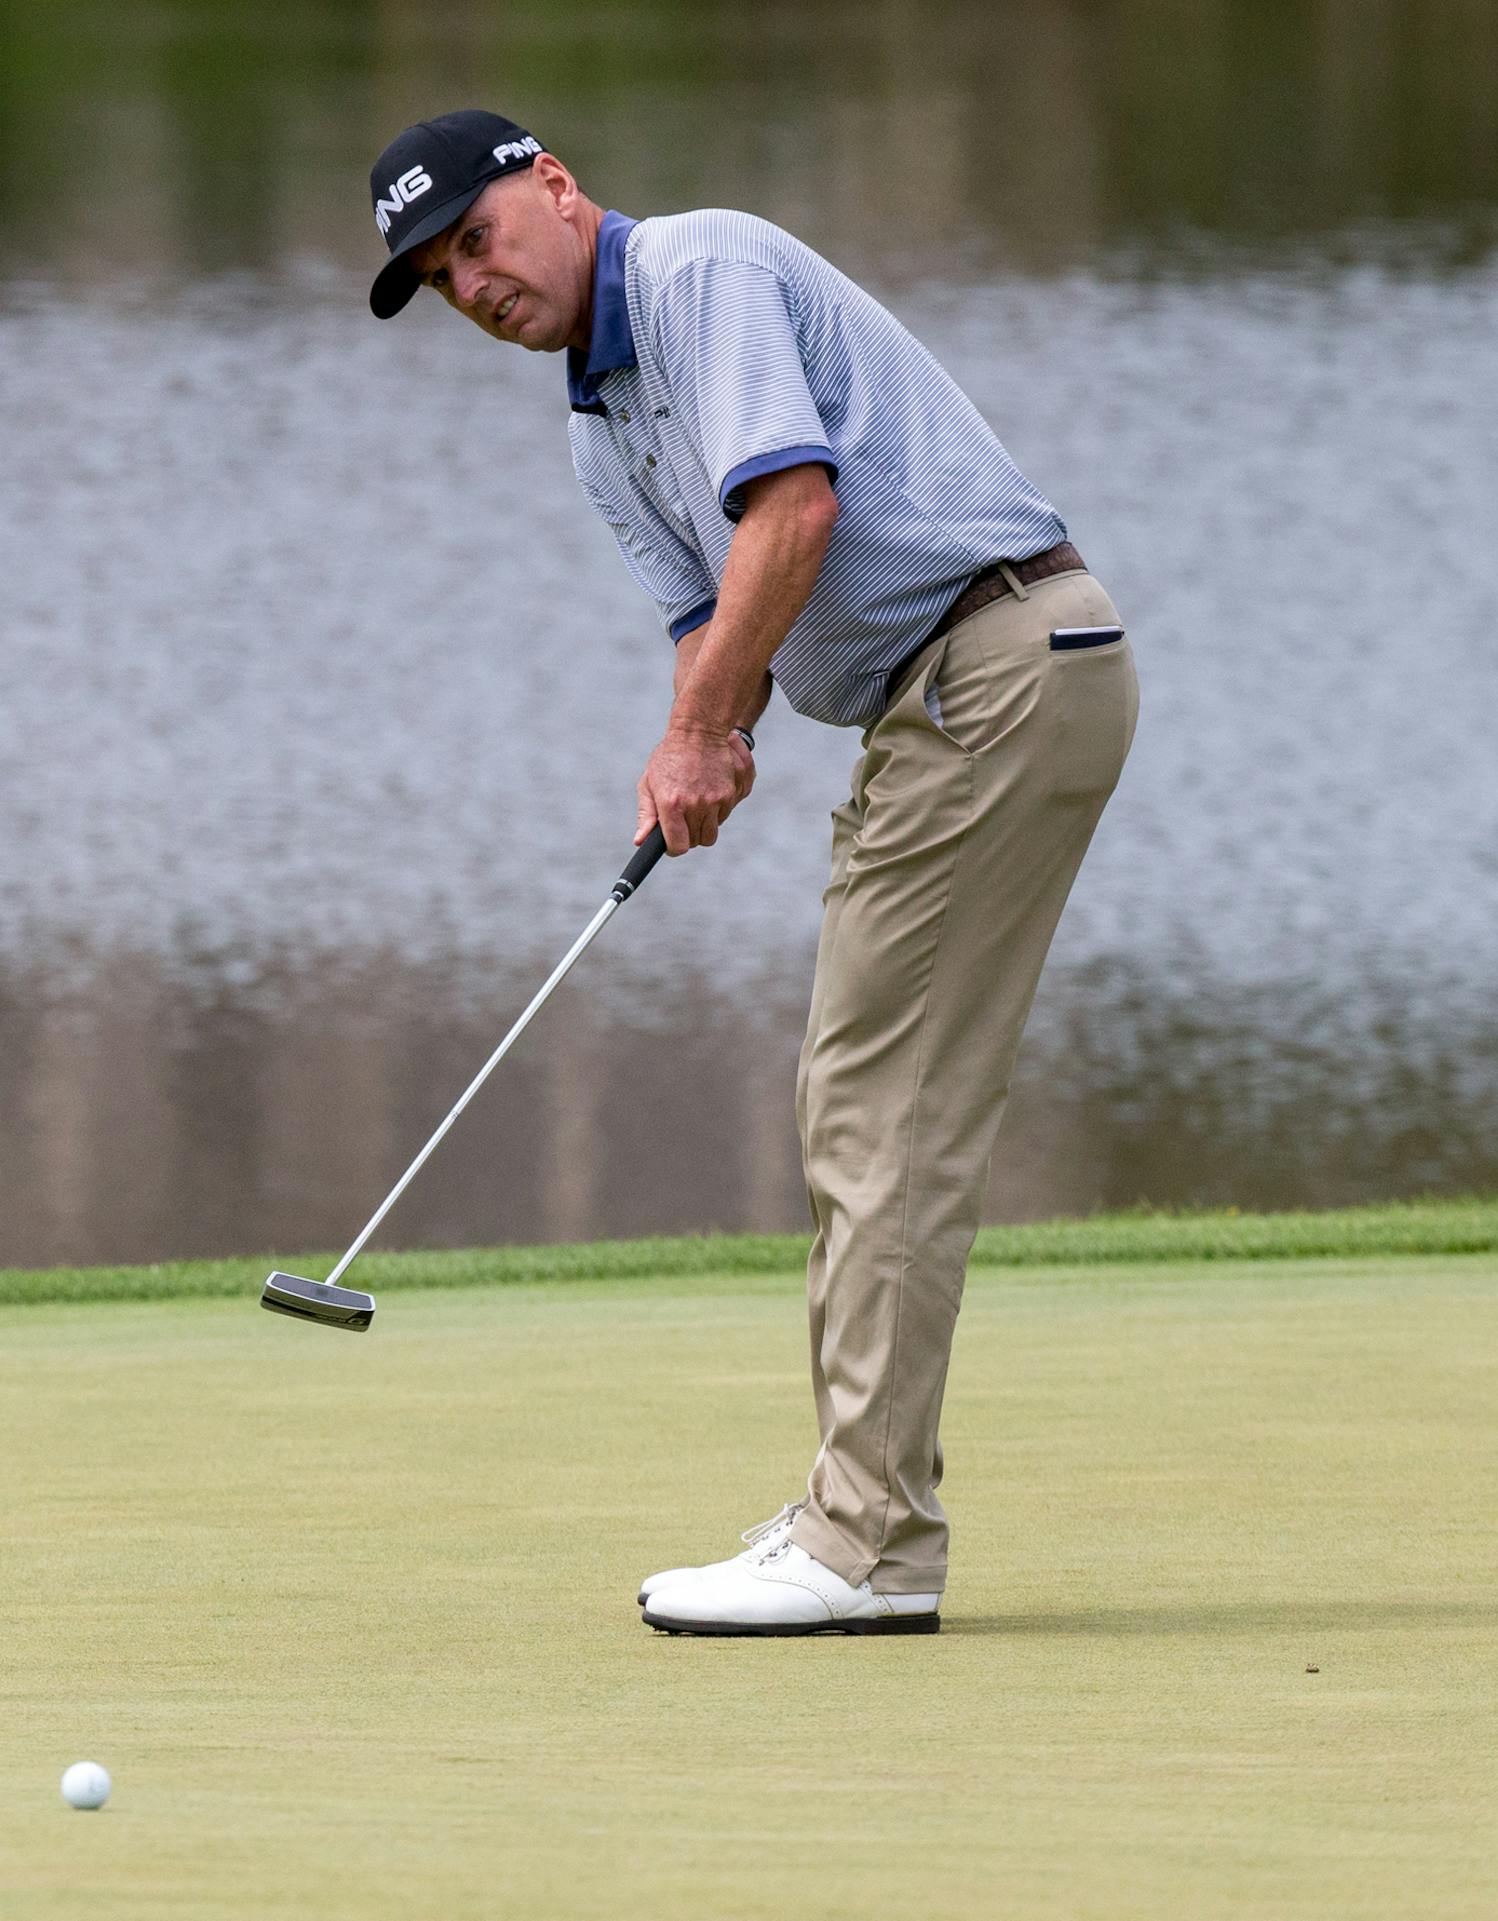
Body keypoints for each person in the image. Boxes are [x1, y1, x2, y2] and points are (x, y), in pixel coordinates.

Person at [366, 110, 1138, 1635]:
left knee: (879, 1105)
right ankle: (862, 1511)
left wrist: (705, 722)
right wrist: (702, 734)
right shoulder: (597, 431)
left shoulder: (702, 269)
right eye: (442, 277)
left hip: (992, 659)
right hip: (940, 702)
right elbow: (716, 634)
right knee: (859, 1098)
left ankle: (868, 1544)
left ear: (560, 188)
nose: (474, 284)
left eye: (477, 239)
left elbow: (794, 513)